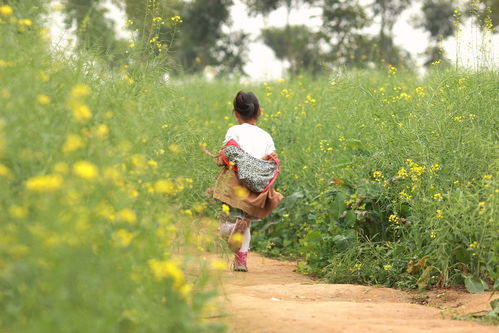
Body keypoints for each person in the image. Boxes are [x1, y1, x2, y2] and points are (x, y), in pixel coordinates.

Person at [208, 91, 283, 272]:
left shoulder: (234, 131)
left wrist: (218, 158)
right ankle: (241, 261)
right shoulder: (266, 136)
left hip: (235, 184)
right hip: (256, 187)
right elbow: (269, 159)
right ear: (259, 112)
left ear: (235, 113)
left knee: (226, 222)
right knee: (245, 222)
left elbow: (228, 154)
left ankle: (232, 227)